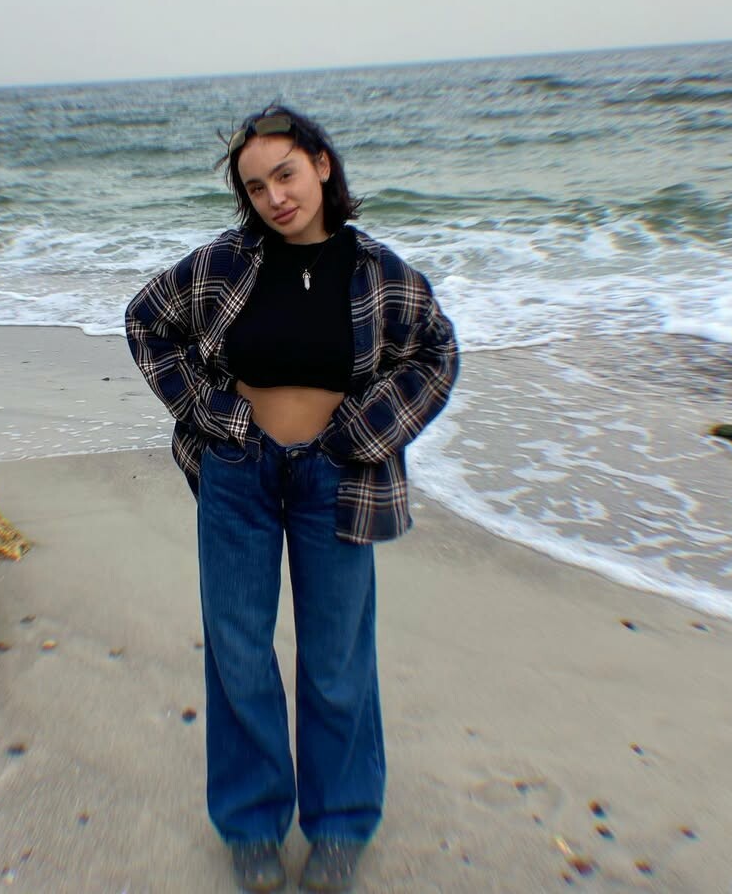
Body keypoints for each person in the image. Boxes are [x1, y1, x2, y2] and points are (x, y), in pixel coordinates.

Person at [125, 105, 458, 893]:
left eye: (286, 174)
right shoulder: (225, 263)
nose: (275, 197)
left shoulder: (379, 272)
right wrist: (215, 414)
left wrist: (362, 433)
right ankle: (252, 825)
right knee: (239, 652)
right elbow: (147, 322)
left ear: (321, 166)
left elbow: (435, 354)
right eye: (256, 187)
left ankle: (341, 824)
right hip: (238, 475)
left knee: (336, 658)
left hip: (337, 481)